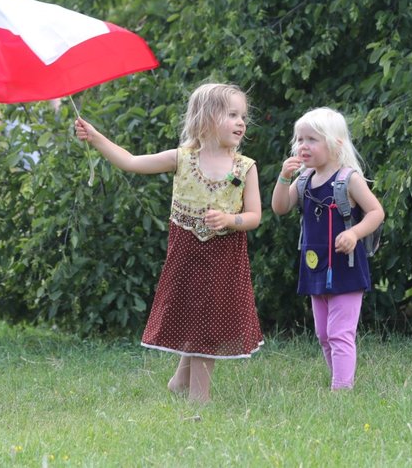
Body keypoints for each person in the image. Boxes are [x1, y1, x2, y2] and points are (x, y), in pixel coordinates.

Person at [74, 83, 263, 403]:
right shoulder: (182, 158)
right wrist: (95, 136)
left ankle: (189, 389)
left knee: (210, 321)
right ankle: (191, 392)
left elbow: (255, 215)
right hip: (188, 254)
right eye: (231, 115)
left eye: (242, 116)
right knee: (197, 317)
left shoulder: (245, 167)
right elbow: (131, 161)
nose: (241, 122)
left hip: (225, 256)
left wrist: (231, 220)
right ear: (205, 118)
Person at [270, 107, 384, 391]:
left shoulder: (349, 179)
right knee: (323, 333)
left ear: (336, 143)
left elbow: (376, 212)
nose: (302, 146)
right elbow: (280, 207)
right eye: (299, 139)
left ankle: (341, 389)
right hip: (315, 265)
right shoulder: (305, 178)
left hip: (345, 267)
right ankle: (339, 379)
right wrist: (284, 179)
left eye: (311, 139)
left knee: (339, 333)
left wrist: (354, 233)